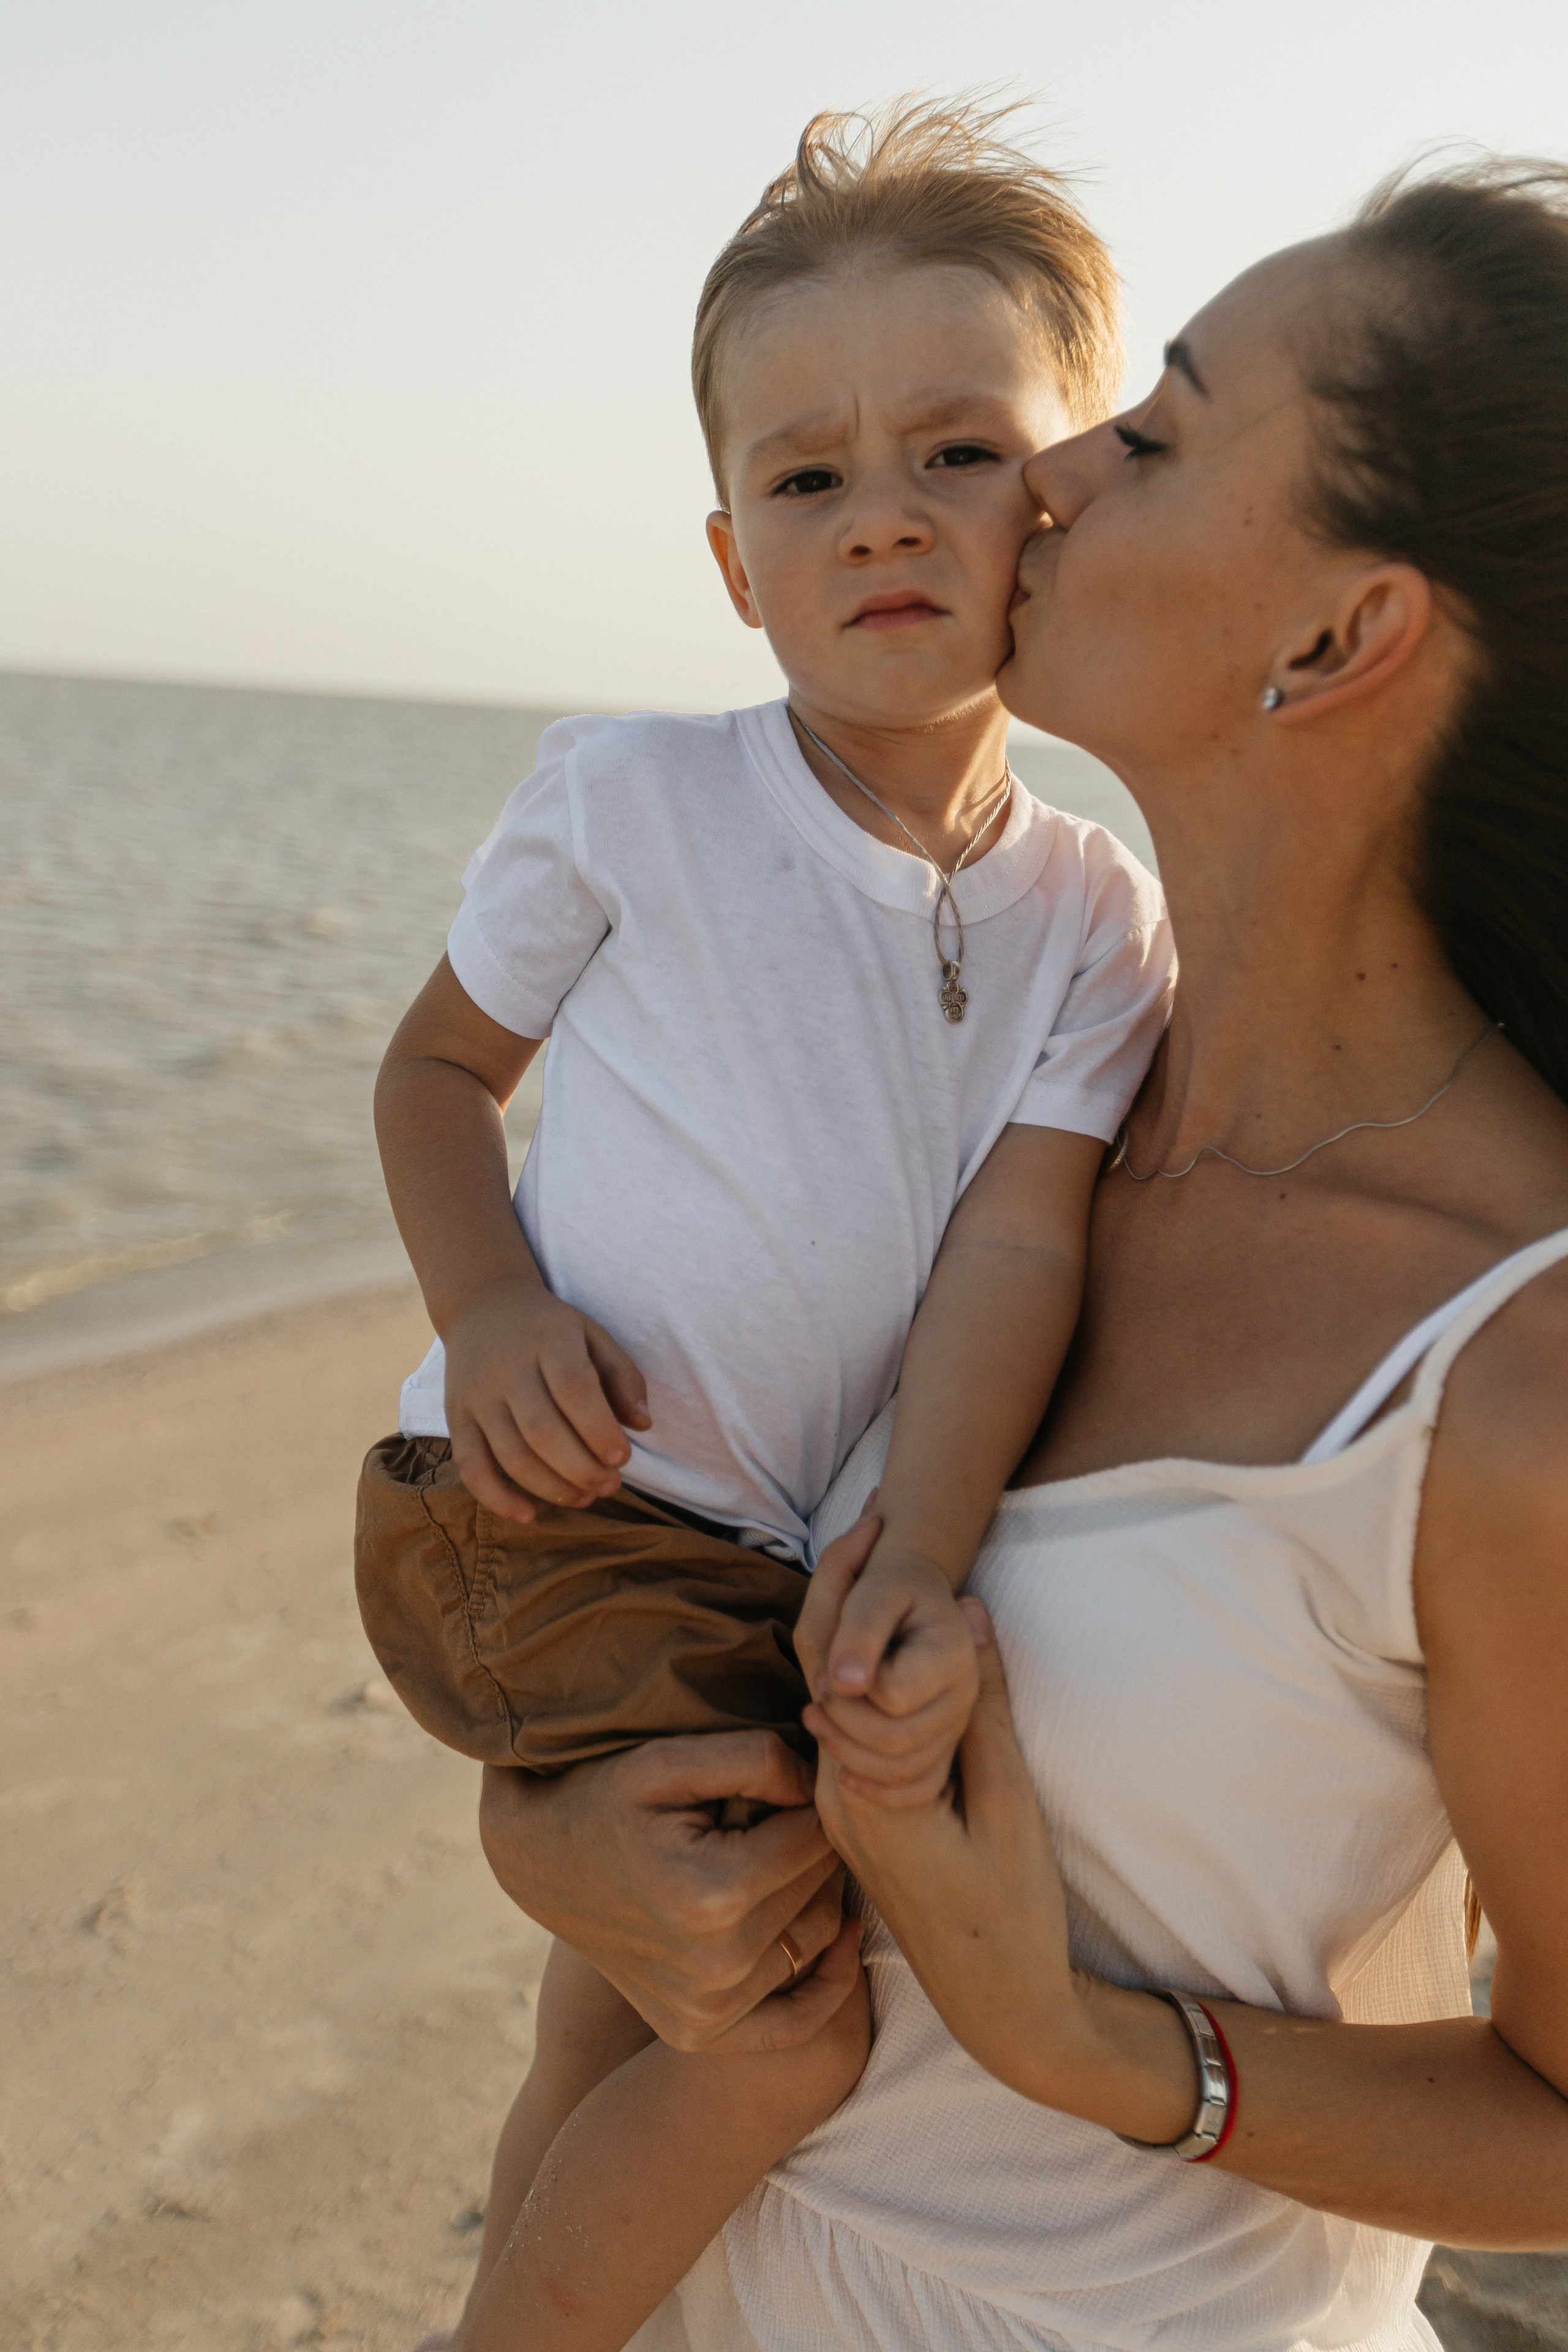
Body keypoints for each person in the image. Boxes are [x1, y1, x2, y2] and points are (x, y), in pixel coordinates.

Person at [478, 156, 1568, 2351]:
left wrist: (1084, 2045)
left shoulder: (1514, 1366)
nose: (1042, 475)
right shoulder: (988, 1094)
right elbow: (695, 1584)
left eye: (1149, 435)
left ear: (1340, 637)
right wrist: (556, 1837)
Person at [360, 103, 1175, 2352]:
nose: (884, 513)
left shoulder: (1097, 917)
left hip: (771, 1549)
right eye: (807, 477)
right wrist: (495, 1305)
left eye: (958, 451)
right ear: (734, 561)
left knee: (599, 2030)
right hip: (549, 1499)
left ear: (1068, 495)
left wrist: (913, 1539)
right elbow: (431, 1081)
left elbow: (1018, 1253)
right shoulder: (633, 800)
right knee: (784, 2027)